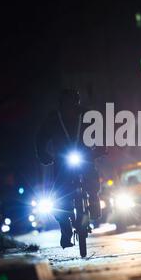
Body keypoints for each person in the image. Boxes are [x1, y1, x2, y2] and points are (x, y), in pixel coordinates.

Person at [35, 89, 102, 248]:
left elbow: (100, 131)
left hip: (85, 156)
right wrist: (43, 155)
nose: (70, 107)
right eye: (66, 104)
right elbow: (41, 137)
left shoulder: (87, 116)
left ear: (77, 103)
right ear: (61, 105)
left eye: (73, 103)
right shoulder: (53, 119)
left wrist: (100, 147)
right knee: (58, 198)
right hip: (62, 161)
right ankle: (66, 231)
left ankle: (93, 199)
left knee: (92, 179)